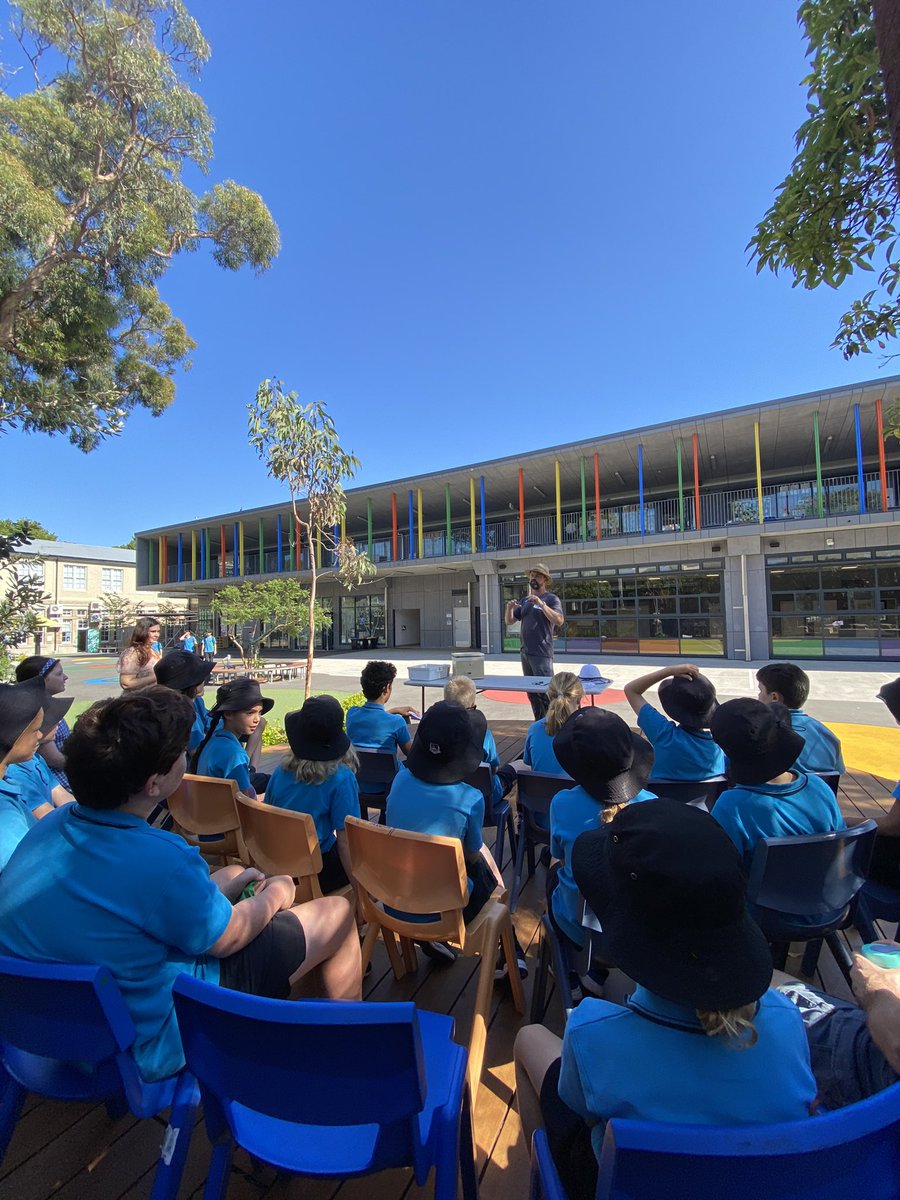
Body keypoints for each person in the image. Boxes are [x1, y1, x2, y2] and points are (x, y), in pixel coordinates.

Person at [0, 687, 361, 1083]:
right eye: (179, 753)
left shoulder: (49, 827)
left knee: (227, 877)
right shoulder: (164, 858)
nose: (185, 757)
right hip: (151, 1040)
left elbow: (135, 904)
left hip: (51, 1034)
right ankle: (349, 1052)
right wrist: (278, 892)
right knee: (337, 912)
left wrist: (230, 884)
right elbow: (226, 939)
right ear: (153, 783)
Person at [514, 801, 816, 1200]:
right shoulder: (787, 1020)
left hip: (618, 1182)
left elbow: (577, 1105)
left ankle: (548, 1178)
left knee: (529, 1038)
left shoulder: (591, 1035)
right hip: (753, 1182)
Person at [385, 701, 516, 967]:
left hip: (391, 893)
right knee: (486, 871)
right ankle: (512, 958)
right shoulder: (470, 798)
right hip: (446, 908)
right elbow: (470, 858)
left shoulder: (399, 779)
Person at [548, 707, 655, 956]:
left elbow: (562, 858)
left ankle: (569, 968)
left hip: (578, 926)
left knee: (554, 865)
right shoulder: (652, 804)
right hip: (635, 933)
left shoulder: (562, 803)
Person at [710, 698, 845, 872]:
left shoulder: (731, 806)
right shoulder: (819, 787)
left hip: (756, 899)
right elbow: (839, 847)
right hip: (823, 894)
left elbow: (723, 869)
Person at [266, 696, 361, 896]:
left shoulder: (280, 771)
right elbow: (347, 841)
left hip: (278, 863)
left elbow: (268, 813)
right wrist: (361, 894)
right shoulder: (341, 778)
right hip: (318, 870)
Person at [623, 663, 724, 781]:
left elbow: (631, 690)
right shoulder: (719, 747)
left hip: (660, 798)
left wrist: (669, 671)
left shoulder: (664, 735)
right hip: (707, 799)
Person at [443, 675, 517, 810]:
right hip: (484, 796)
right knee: (518, 766)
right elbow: (493, 767)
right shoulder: (483, 734)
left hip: (446, 791)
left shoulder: (435, 730)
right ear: (473, 705)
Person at [756, 662, 844, 775]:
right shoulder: (828, 735)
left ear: (774, 697)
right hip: (819, 792)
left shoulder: (759, 734)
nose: (758, 696)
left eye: (760, 690)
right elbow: (838, 773)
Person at [192, 678, 273, 797]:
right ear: (228, 714)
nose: (257, 719)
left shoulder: (213, 741)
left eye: (259, 713)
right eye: (250, 713)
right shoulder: (234, 753)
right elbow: (246, 802)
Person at [504, 564, 564, 719]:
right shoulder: (525, 600)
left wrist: (541, 604)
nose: (533, 578)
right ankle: (539, 723)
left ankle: (555, 724)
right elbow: (509, 621)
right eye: (531, 575)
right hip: (525, 653)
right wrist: (509, 608)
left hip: (542, 654)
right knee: (532, 693)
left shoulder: (551, 599)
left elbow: (559, 620)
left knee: (547, 692)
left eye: (537, 575)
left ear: (545, 579)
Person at [0, 678, 46, 873]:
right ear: (11, 737)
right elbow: (26, 873)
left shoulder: (7, 782)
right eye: (35, 730)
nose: (40, 736)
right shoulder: (4, 813)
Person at [4, 695, 75, 815]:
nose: (59, 722)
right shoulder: (16, 773)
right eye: (54, 719)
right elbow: (46, 815)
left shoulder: (35, 759)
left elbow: (63, 797)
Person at [15, 656, 72, 789]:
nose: (65, 677)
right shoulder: (39, 713)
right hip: (58, 783)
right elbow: (53, 758)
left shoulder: (48, 706)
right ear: (40, 680)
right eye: (58, 674)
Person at [345, 661, 416, 758]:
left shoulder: (352, 714)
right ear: (387, 688)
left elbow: (372, 719)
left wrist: (393, 710)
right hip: (391, 773)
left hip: (358, 771)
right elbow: (411, 753)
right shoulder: (397, 722)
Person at [155, 649, 215, 752]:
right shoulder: (179, 713)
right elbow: (196, 753)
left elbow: (210, 722)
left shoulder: (196, 701)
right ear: (192, 684)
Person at [118, 616, 162, 691]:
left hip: (154, 697)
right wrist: (157, 677)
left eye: (158, 631)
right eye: (153, 631)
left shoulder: (152, 650)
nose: (157, 635)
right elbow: (126, 683)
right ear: (142, 632)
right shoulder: (133, 653)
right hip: (139, 698)